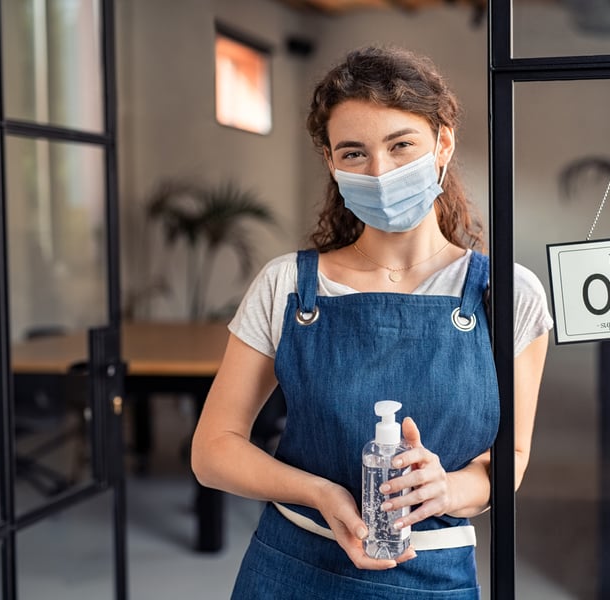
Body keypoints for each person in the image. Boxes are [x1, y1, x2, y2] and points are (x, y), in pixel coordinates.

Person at [191, 45, 552, 599]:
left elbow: (511, 461)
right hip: (292, 565)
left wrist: (445, 489)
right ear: (333, 165)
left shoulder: (506, 295)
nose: (380, 172)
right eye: (354, 153)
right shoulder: (288, 286)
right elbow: (213, 449)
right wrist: (321, 494)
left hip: (434, 578)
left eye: (401, 144)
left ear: (443, 143)